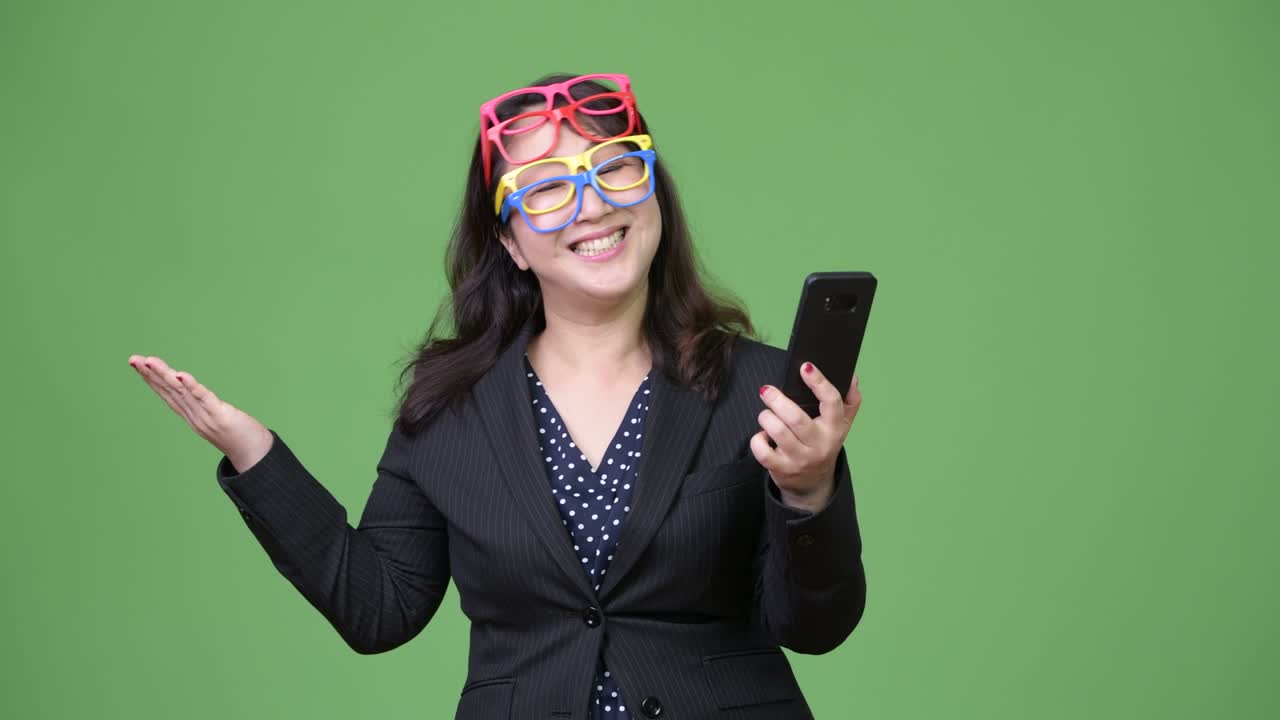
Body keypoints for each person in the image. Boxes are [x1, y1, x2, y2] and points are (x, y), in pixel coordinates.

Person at [127, 72, 868, 720]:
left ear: (654, 198)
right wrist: (255, 456)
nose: (590, 205)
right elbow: (379, 608)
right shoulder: (450, 407)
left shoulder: (762, 386)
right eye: (546, 188)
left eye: (614, 168)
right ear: (509, 242)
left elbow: (814, 624)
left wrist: (809, 489)